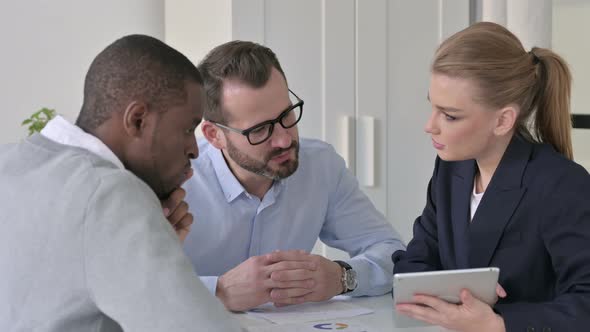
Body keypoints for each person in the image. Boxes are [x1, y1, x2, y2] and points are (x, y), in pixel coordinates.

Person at [0, 35, 241, 331]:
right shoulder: (109, 193)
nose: (194, 148)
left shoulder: (9, 161)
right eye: (188, 128)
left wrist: (152, 245)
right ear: (138, 119)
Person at [392, 22, 590, 331]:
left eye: (450, 115)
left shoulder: (561, 185)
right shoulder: (450, 170)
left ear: (503, 120)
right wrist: (456, 293)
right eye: (432, 107)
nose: (429, 126)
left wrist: (500, 323)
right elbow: (417, 259)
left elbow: (586, 302)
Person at [181, 40, 405, 311]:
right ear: (215, 135)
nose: (284, 140)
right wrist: (219, 293)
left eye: (287, 115)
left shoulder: (321, 166)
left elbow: (393, 253)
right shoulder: (174, 180)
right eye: (261, 130)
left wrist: (342, 277)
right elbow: (130, 286)